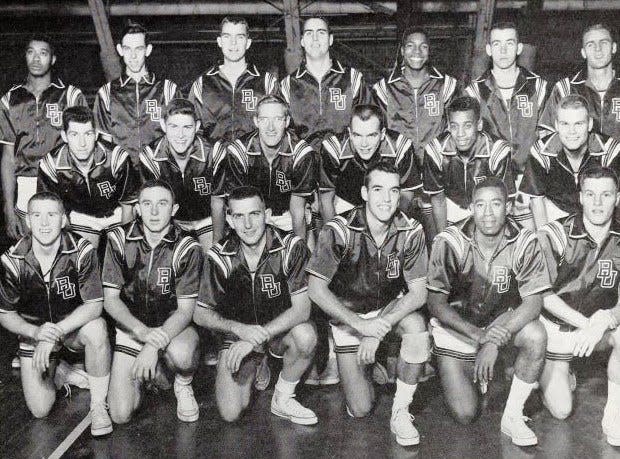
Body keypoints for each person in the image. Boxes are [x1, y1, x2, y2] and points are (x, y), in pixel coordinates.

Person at [307, 162, 430, 446]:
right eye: (378, 190)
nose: (386, 199)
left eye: (393, 191)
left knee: (416, 326)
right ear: (364, 193)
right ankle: (367, 363)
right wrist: (361, 326)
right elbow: (316, 289)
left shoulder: (411, 231)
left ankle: (400, 411)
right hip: (349, 318)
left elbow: (418, 293)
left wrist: (376, 330)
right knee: (361, 409)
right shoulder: (338, 229)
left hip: (387, 311)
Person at [427, 177, 549, 446]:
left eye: (496, 204)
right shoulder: (450, 240)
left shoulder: (525, 241)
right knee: (465, 413)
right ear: (471, 208)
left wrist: (493, 340)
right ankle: (447, 363)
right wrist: (478, 334)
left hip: (497, 325)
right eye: (480, 205)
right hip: (458, 330)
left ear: (508, 207)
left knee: (536, 335)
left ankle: (512, 415)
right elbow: (435, 302)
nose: (488, 213)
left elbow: (533, 302)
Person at [194, 186, 318, 425]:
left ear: (268, 214)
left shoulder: (292, 247)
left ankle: (282, 397)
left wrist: (255, 338)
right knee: (231, 413)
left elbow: (303, 310)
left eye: (254, 214)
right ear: (229, 219)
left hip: (278, 332)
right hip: (238, 334)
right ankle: (259, 362)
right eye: (239, 216)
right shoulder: (219, 255)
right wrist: (239, 330)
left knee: (306, 336)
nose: (247, 224)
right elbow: (200, 313)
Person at [0, 192, 112, 436]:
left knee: (97, 328)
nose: (44, 223)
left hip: (71, 329)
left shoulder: (82, 251)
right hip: (35, 333)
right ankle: (61, 370)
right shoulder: (12, 260)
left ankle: (98, 405)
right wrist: (36, 332)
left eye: (52, 215)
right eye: (37, 215)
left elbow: (94, 305)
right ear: (28, 221)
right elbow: (5, 313)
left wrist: (56, 332)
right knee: (40, 409)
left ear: (63, 220)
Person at [103, 180, 203, 424]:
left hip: (172, 328)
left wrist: (152, 345)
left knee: (182, 354)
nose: (155, 211)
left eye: (162, 204)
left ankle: (182, 383)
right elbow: (111, 300)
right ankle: (154, 373)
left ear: (175, 209)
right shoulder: (118, 238)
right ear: (137, 208)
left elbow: (185, 311)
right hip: (133, 328)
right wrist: (141, 332)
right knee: (120, 414)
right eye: (147, 204)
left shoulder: (187, 246)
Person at [536, 165, 620, 446]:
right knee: (561, 410)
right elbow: (543, 295)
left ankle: (614, 413)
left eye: (606, 195)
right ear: (580, 197)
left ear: (617, 198)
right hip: (559, 329)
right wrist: (588, 324)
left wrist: (607, 317)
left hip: (599, 331)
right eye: (591, 194)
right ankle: (553, 370)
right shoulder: (555, 233)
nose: (598, 203)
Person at [0, 35, 87, 241]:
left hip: (63, 186)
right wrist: (8, 208)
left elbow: (84, 148)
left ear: (53, 59)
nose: (36, 59)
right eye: (31, 52)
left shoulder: (71, 96)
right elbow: (8, 157)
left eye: (43, 53)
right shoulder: (9, 100)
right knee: (28, 259)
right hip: (26, 186)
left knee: (64, 256)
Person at [464, 22, 548, 228]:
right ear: (489, 49)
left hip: (532, 188)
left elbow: (547, 140)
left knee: (535, 249)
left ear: (519, 48)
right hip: (491, 187)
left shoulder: (538, 87)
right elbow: (471, 148)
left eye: (509, 43)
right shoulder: (473, 92)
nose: (503, 50)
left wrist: (528, 188)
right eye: (497, 44)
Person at [37, 106, 138, 249]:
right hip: (79, 218)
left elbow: (128, 206)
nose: (82, 143)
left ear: (96, 134)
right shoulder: (51, 165)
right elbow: (52, 210)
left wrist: (126, 246)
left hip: (115, 215)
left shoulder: (116, 158)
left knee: (122, 258)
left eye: (88, 134)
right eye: (74, 135)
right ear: (64, 136)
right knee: (83, 260)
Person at [222, 95, 316, 243]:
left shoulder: (301, 153)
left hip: (287, 216)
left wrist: (300, 250)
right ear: (256, 121)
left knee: (307, 256)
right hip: (252, 215)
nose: (270, 127)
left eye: (278, 119)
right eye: (264, 119)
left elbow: (297, 211)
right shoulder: (238, 151)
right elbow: (239, 205)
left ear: (286, 122)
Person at [139, 98, 226, 253]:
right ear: (164, 125)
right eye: (174, 126)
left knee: (212, 263)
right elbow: (154, 203)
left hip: (206, 220)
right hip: (171, 221)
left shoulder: (214, 152)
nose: (180, 135)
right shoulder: (150, 155)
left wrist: (217, 246)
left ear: (197, 127)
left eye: (187, 127)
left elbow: (217, 202)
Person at [520, 94, 620, 229]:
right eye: (565, 124)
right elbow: (537, 201)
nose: (571, 131)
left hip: (597, 209)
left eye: (578, 124)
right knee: (520, 207)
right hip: (555, 210)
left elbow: (613, 200)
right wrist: (546, 240)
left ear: (590, 124)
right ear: (556, 125)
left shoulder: (610, 150)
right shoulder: (541, 151)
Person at [423, 96, 515, 235]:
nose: (460, 134)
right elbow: (439, 200)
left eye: (467, 126)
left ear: (479, 125)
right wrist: (445, 239)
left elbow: (501, 204)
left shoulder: (497, 151)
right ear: (448, 125)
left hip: (486, 210)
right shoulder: (435, 150)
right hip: (451, 208)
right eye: (454, 126)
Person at [93, 21, 181, 167]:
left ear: (148, 50)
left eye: (139, 49)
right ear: (120, 50)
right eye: (127, 49)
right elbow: (102, 143)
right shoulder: (106, 93)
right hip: (122, 174)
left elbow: (180, 136)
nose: (133, 56)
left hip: (159, 172)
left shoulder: (168, 89)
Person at [280, 16, 372, 149]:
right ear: (302, 41)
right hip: (305, 165)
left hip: (345, 163)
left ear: (330, 40)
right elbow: (284, 133)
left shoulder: (353, 79)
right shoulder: (287, 85)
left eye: (321, 32)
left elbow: (369, 124)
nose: (315, 38)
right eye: (309, 33)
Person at [319, 104, 421, 221]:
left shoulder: (400, 147)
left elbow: (407, 192)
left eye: (371, 135)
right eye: (357, 135)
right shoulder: (333, 149)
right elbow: (326, 199)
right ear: (350, 133)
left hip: (386, 202)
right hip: (346, 202)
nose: (364, 144)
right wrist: (335, 232)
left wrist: (392, 224)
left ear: (382, 134)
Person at [188, 16, 279, 144]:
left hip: (254, 162)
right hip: (215, 162)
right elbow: (190, 130)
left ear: (248, 43)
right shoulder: (201, 84)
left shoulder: (267, 83)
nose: (233, 43)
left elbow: (280, 127)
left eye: (239, 37)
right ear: (219, 41)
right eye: (227, 36)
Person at [373, 28, 457, 164]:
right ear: (402, 51)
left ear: (429, 51)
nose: (417, 51)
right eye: (410, 46)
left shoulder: (446, 86)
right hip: (397, 168)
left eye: (423, 46)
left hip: (437, 167)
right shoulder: (384, 89)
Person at [539, 23, 620, 141]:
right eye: (590, 44)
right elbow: (547, 137)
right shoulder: (564, 89)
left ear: (614, 48)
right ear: (583, 52)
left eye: (604, 42)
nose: (598, 49)